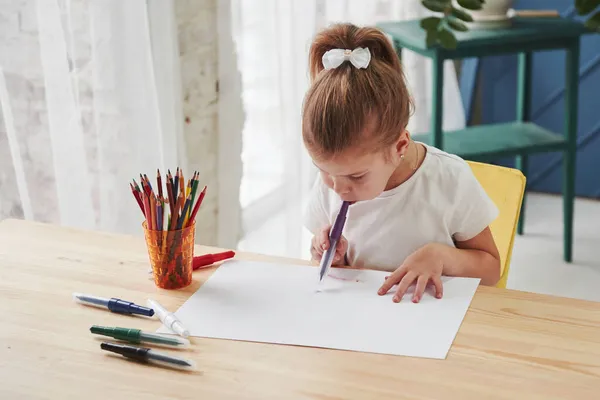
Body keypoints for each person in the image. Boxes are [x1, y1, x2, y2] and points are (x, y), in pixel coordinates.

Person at [302, 23, 501, 303]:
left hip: (435, 327)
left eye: (357, 177)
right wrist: (330, 258)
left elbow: (491, 269)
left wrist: (441, 256)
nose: (339, 189)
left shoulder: (448, 180)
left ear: (400, 147)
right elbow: (338, 272)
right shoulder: (334, 180)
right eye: (323, 171)